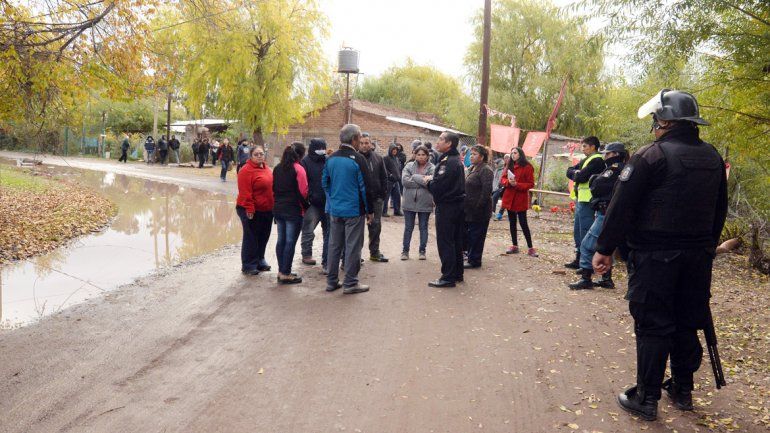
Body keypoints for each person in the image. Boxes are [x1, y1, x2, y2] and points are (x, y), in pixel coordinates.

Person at [592, 89, 728, 421]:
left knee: (653, 324)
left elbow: (621, 207)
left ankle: (647, 397)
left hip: (655, 258)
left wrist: (604, 248)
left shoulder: (651, 156)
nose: (654, 126)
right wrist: (706, 248)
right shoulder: (712, 157)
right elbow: (719, 210)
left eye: (656, 120)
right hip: (698, 258)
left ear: (665, 121)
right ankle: (682, 389)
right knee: (687, 321)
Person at [322, 124, 374, 294]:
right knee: (353, 246)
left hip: (335, 210)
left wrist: (334, 199)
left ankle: (331, 281)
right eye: (359, 138)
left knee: (334, 245)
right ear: (354, 139)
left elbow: (325, 183)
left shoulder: (331, 158)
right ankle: (350, 282)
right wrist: (370, 210)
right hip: (353, 211)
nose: (360, 141)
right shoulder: (358, 159)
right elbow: (365, 188)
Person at [569, 142, 628, 290]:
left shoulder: (614, 169)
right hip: (615, 214)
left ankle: (586, 278)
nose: (605, 156)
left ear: (615, 154)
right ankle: (606, 279)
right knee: (607, 246)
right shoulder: (625, 169)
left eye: (607, 153)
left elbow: (597, 186)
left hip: (606, 214)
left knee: (587, 245)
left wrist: (594, 179)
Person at [425, 131, 465, 288]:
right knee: (456, 240)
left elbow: (439, 187)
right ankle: (457, 273)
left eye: (441, 139)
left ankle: (448, 277)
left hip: (448, 206)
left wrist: (428, 182)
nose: (437, 141)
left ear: (449, 144)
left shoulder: (448, 162)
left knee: (446, 241)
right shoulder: (454, 160)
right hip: (457, 205)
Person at [565, 136, 605, 268]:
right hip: (581, 199)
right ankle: (579, 259)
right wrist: (576, 173)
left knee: (585, 231)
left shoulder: (597, 160)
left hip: (588, 200)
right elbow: (569, 170)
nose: (582, 149)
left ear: (593, 147)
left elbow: (581, 177)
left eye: (585, 146)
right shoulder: (586, 160)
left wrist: (577, 173)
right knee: (578, 231)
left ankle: (586, 264)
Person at [272, 143, 309, 284]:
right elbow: (304, 191)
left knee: (281, 240)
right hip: (293, 210)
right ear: (300, 155)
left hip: (278, 208)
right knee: (290, 242)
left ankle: (281, 270)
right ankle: (285, 273)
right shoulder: (299, 169)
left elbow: (273, 187)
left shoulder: (277, 168)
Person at [235, 145, 274, 275]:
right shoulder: (245, 170)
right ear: (250, 156)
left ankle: (260, 260)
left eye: (261, 154)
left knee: (264, 235)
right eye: (256, 154)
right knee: (251, 236)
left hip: (267, 209)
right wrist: (250, 209)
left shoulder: (267, 169)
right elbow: (245, 192)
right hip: (250, 209)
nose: (259, 156)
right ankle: (248, 265)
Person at [500, 147, 538, 257]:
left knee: (523, 223)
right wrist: (508, 182)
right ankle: (514, 245)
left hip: (520, 198)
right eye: (512, 153)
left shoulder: (527, 167)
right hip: (509, 197)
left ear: (520, 154)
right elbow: (502, 179)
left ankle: (530, 248)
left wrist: (517, 184)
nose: (513, 155)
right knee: (512, 222)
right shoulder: (509, 165)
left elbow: (530, 184)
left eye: (515, 153)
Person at [300, 138, 330, 269]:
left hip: (327, 202)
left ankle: (327, 256)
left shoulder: (328, 160)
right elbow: (303, 182)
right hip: (312, 202)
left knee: (328, 231)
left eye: (323, 148)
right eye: (319, 148)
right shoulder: (305, 162)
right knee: (308, 229)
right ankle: (306, 254)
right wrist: (309, 197)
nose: (321, 151)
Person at [359, 133, 390, 263]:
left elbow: (384, 177)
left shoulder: (378, 158)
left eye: (367, 143)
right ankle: (356, 255)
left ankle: (374, 253)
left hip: (376, 198)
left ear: (371, 144)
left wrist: (382, 194)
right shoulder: (355, 158)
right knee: (357, 228)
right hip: (359, 199)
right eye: (361, 143)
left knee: (375, 226)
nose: (364, 145)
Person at [401, 145, 435, 261]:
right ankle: (405, 251)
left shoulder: (432, 168)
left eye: (423, 155)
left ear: (427, 156)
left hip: (425, 202)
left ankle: (422, 251)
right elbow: (405, 181)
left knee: (423, 227)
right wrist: (423, 180)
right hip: (409, 202)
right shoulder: (409, 166)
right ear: (415, 155)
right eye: (418, 154)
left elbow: (431, 183)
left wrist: (414, 177)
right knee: (408, 228)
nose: (421, 157)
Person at [463, 145, 494, 268]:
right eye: (471, 154)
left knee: (477, 236)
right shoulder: (472, 168)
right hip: (469, 208)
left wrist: (478, 207)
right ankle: (470, 257)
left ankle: (475, 260)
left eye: (474, 154)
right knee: (470, 235)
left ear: (482, 157)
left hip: (480, 210)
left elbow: (486, 192)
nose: (471, 156)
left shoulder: (485, 170)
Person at [383, 143, 403, 216]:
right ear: (390, 150)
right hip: (389, 181)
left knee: (397, 196)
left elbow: (398, 168)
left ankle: (397, 211)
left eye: (396, 149)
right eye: (393, 149)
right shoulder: (386, 158)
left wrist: (398, 176)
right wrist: (390, 175)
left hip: (396, 181)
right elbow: (384, 168)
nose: (395, 151)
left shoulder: (396, 158)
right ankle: (384, 212)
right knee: (386, 197)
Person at [491, 154, 510, 220]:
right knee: (497, 199)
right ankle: (495, 213)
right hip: (498, 187)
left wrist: (500, 186)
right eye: (505, 158)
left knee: (498, 198)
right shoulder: (497, 169)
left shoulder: (507, 168)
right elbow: (495, 180)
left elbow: (501, 179)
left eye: (507, 158)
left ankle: (498, 213)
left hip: (503, 187)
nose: (505, 160)